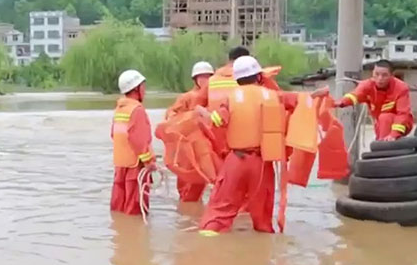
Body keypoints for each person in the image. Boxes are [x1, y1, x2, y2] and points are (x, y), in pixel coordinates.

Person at [195, 56, 304, 235]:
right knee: (262, 219)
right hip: (262, 164)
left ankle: (209, 251)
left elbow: (217, 120)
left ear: (237, 79)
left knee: (219, 212)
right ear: (259, 76)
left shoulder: (231, 97)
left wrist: (203, 113)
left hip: (236, 161)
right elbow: (299, 102)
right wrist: (319, 97)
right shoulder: (272, 95)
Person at [164, 61, 214, 202]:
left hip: (205, 146)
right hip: (187, 146)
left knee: (203, 179)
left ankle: (193, 211)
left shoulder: (213, 97)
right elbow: (171, 115)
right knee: (186, 179)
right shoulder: (186, 97)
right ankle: (186, 205)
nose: (205, 80)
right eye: (202, 77)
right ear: (195, 79)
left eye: (208, 77)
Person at [111, 69, 157, 216]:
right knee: (135, 210)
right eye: (143, 87)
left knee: (119, 208)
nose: (145, 90)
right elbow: (140, 140)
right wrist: (149, 162)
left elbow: (114, 135)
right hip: (135, 168)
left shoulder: (119, 109)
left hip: (120, 166)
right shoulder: (137, 110)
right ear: (136, 89)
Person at [335, 59, 414, 141]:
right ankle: (381, 146)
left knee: (385, 117)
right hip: (380, 123)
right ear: (372, 73)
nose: (380, 78)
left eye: (384, 75)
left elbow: (403, 113)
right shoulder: (367, 85)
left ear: (391, 76)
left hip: (402, 124)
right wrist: (341, 102)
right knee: (381, 124)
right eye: (376, 74)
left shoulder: (401, 88)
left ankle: (384, 147)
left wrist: (394, 134)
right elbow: (355, 95)